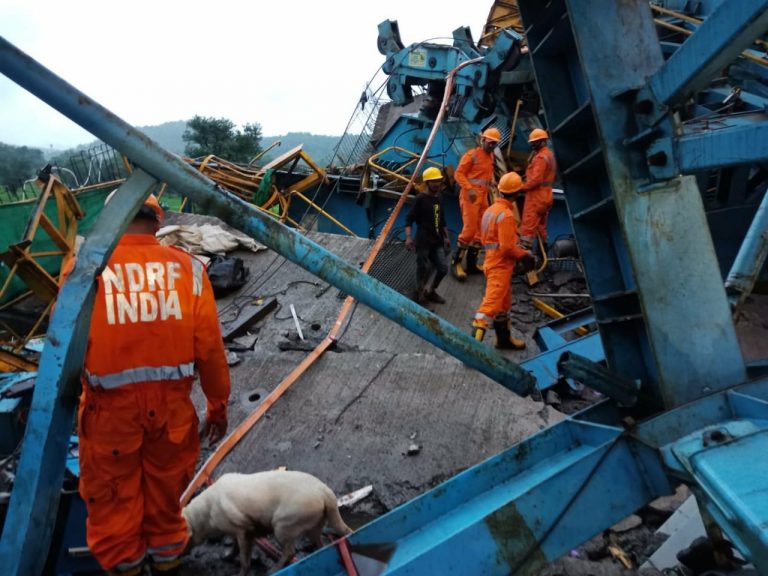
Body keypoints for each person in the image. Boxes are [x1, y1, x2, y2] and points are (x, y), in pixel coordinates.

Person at [63, 192, 231, 576]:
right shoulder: (188, 270)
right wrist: (217, 405)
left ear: (114, 220)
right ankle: (169, 563)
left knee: (114, 508)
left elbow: (64, 349)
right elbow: (209, 350)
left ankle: (129, 569)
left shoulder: (84, 270)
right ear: (158, 222)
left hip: (110, 416)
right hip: (172, 415)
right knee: (166, 504)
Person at [471, 172, 535, 349]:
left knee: (503, 305)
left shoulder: (490, 211)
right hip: (499, 267)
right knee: (488, 308)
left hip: (492, 263)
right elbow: (507, 248)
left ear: (500, 190)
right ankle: (471, 348)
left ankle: (503, 340)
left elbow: (488, 241)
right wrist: (525, 255)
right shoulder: (506, 215)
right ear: (516, 194)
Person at [452, 127, 502, 280]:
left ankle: (471, 265)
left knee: (481, 231)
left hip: (483, 196)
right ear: (483, 140)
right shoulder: (471, 155)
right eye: (489, 142)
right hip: (470, 197)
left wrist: (492, 184)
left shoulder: (491, 157)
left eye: (494, 143)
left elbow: (485, 175)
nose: (491, 145)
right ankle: (456, 264)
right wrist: (469, 188)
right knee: (469, 231)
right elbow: (458, 174)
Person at [405, 166, 451, 304]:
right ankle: (420, 293)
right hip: (423, 241)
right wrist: (408, 237)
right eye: (434, 181)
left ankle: (431, 291)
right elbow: (409, 219)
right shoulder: (420, 199)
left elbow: (442, 219)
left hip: (437, 241)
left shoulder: (440, 198)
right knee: (422, 268)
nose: (437, 184)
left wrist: (446, 237)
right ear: (427, 182)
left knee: (443, 268)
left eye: (439, 181)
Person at [520, 128, 557, 251]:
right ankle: (542, 255)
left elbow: (536, 180)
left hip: (536, 197)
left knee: (528, 228)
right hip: (546, 196)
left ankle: (526, 260)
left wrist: (521, 187)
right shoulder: (550, 155)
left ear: (542, 141)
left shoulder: (540, 158)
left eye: (534, 142)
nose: (532, 145)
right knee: (541, 227)